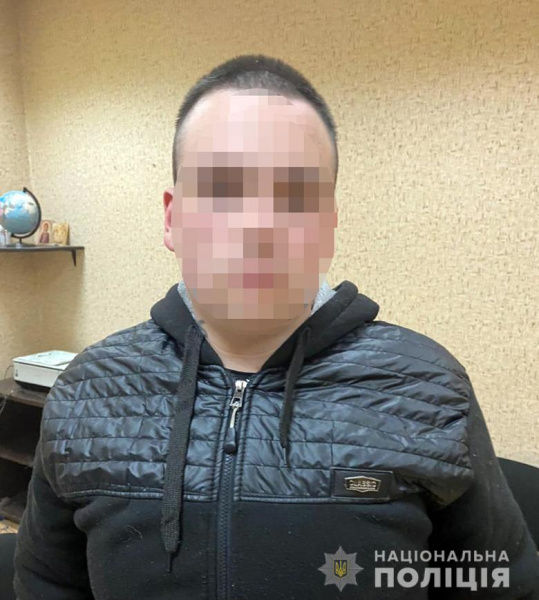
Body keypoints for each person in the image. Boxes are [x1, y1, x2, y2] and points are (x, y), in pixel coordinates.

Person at [13, 54, 539, 599]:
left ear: (329, 223)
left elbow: (502, 585)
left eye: (294, 196)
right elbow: (46, 583)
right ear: (172, 218)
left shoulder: (425, 385)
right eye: (223, 190)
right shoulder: (88, 389)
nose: (258, 225)